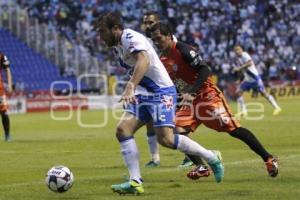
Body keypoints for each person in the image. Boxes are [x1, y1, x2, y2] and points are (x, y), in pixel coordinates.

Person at [94, 12, 224, 195]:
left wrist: (131, 86)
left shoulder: (130, 37)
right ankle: (135, 182)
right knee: (123, 130)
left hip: (161, 91)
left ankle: (212, 156)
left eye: (102, 31)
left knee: (166, 139)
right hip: (144, 94)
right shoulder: (118, 46)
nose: (100, 37)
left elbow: (144, 60)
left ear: (115, 28)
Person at [150, 22, 278, 180]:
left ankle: (268, 158)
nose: (156, 42)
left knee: (234, 129)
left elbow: (205, 69)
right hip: (189, 102)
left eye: (159, 38)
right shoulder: (162, 59)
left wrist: (192, 92)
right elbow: (175, 83)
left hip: (208, 96)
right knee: (176, 132)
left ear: (169, 36)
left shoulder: (183, 49)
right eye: (153, 40)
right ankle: (201, 166)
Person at [142, 11, 197, 169]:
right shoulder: (146, 40)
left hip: (172, 86)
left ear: (158, 22)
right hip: (155, 85)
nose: (147, 25)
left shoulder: (167, 40)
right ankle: (155, 158)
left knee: (176, 123)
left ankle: (193, 156)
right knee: (150, 122)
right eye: (145, 22)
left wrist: (183, 88)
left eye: (150, 22)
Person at [233, 45, 282, 116]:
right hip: (247, 80)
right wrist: (239, 79)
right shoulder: (238, 59)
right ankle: (243, 111)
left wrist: (239, 68)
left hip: (255, 78)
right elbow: (244, 71)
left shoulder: (245, 55)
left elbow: (249, 63)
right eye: (236, 50)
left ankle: (277, 108)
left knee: (264, 93)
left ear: (241, 50)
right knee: (238, 92)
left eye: (238, 49)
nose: (237, 51)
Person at [0, 52, 13, 142]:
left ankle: (7, 135)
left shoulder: (1, 56)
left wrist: (10, 84)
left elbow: (7, 69)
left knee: (4, 112)